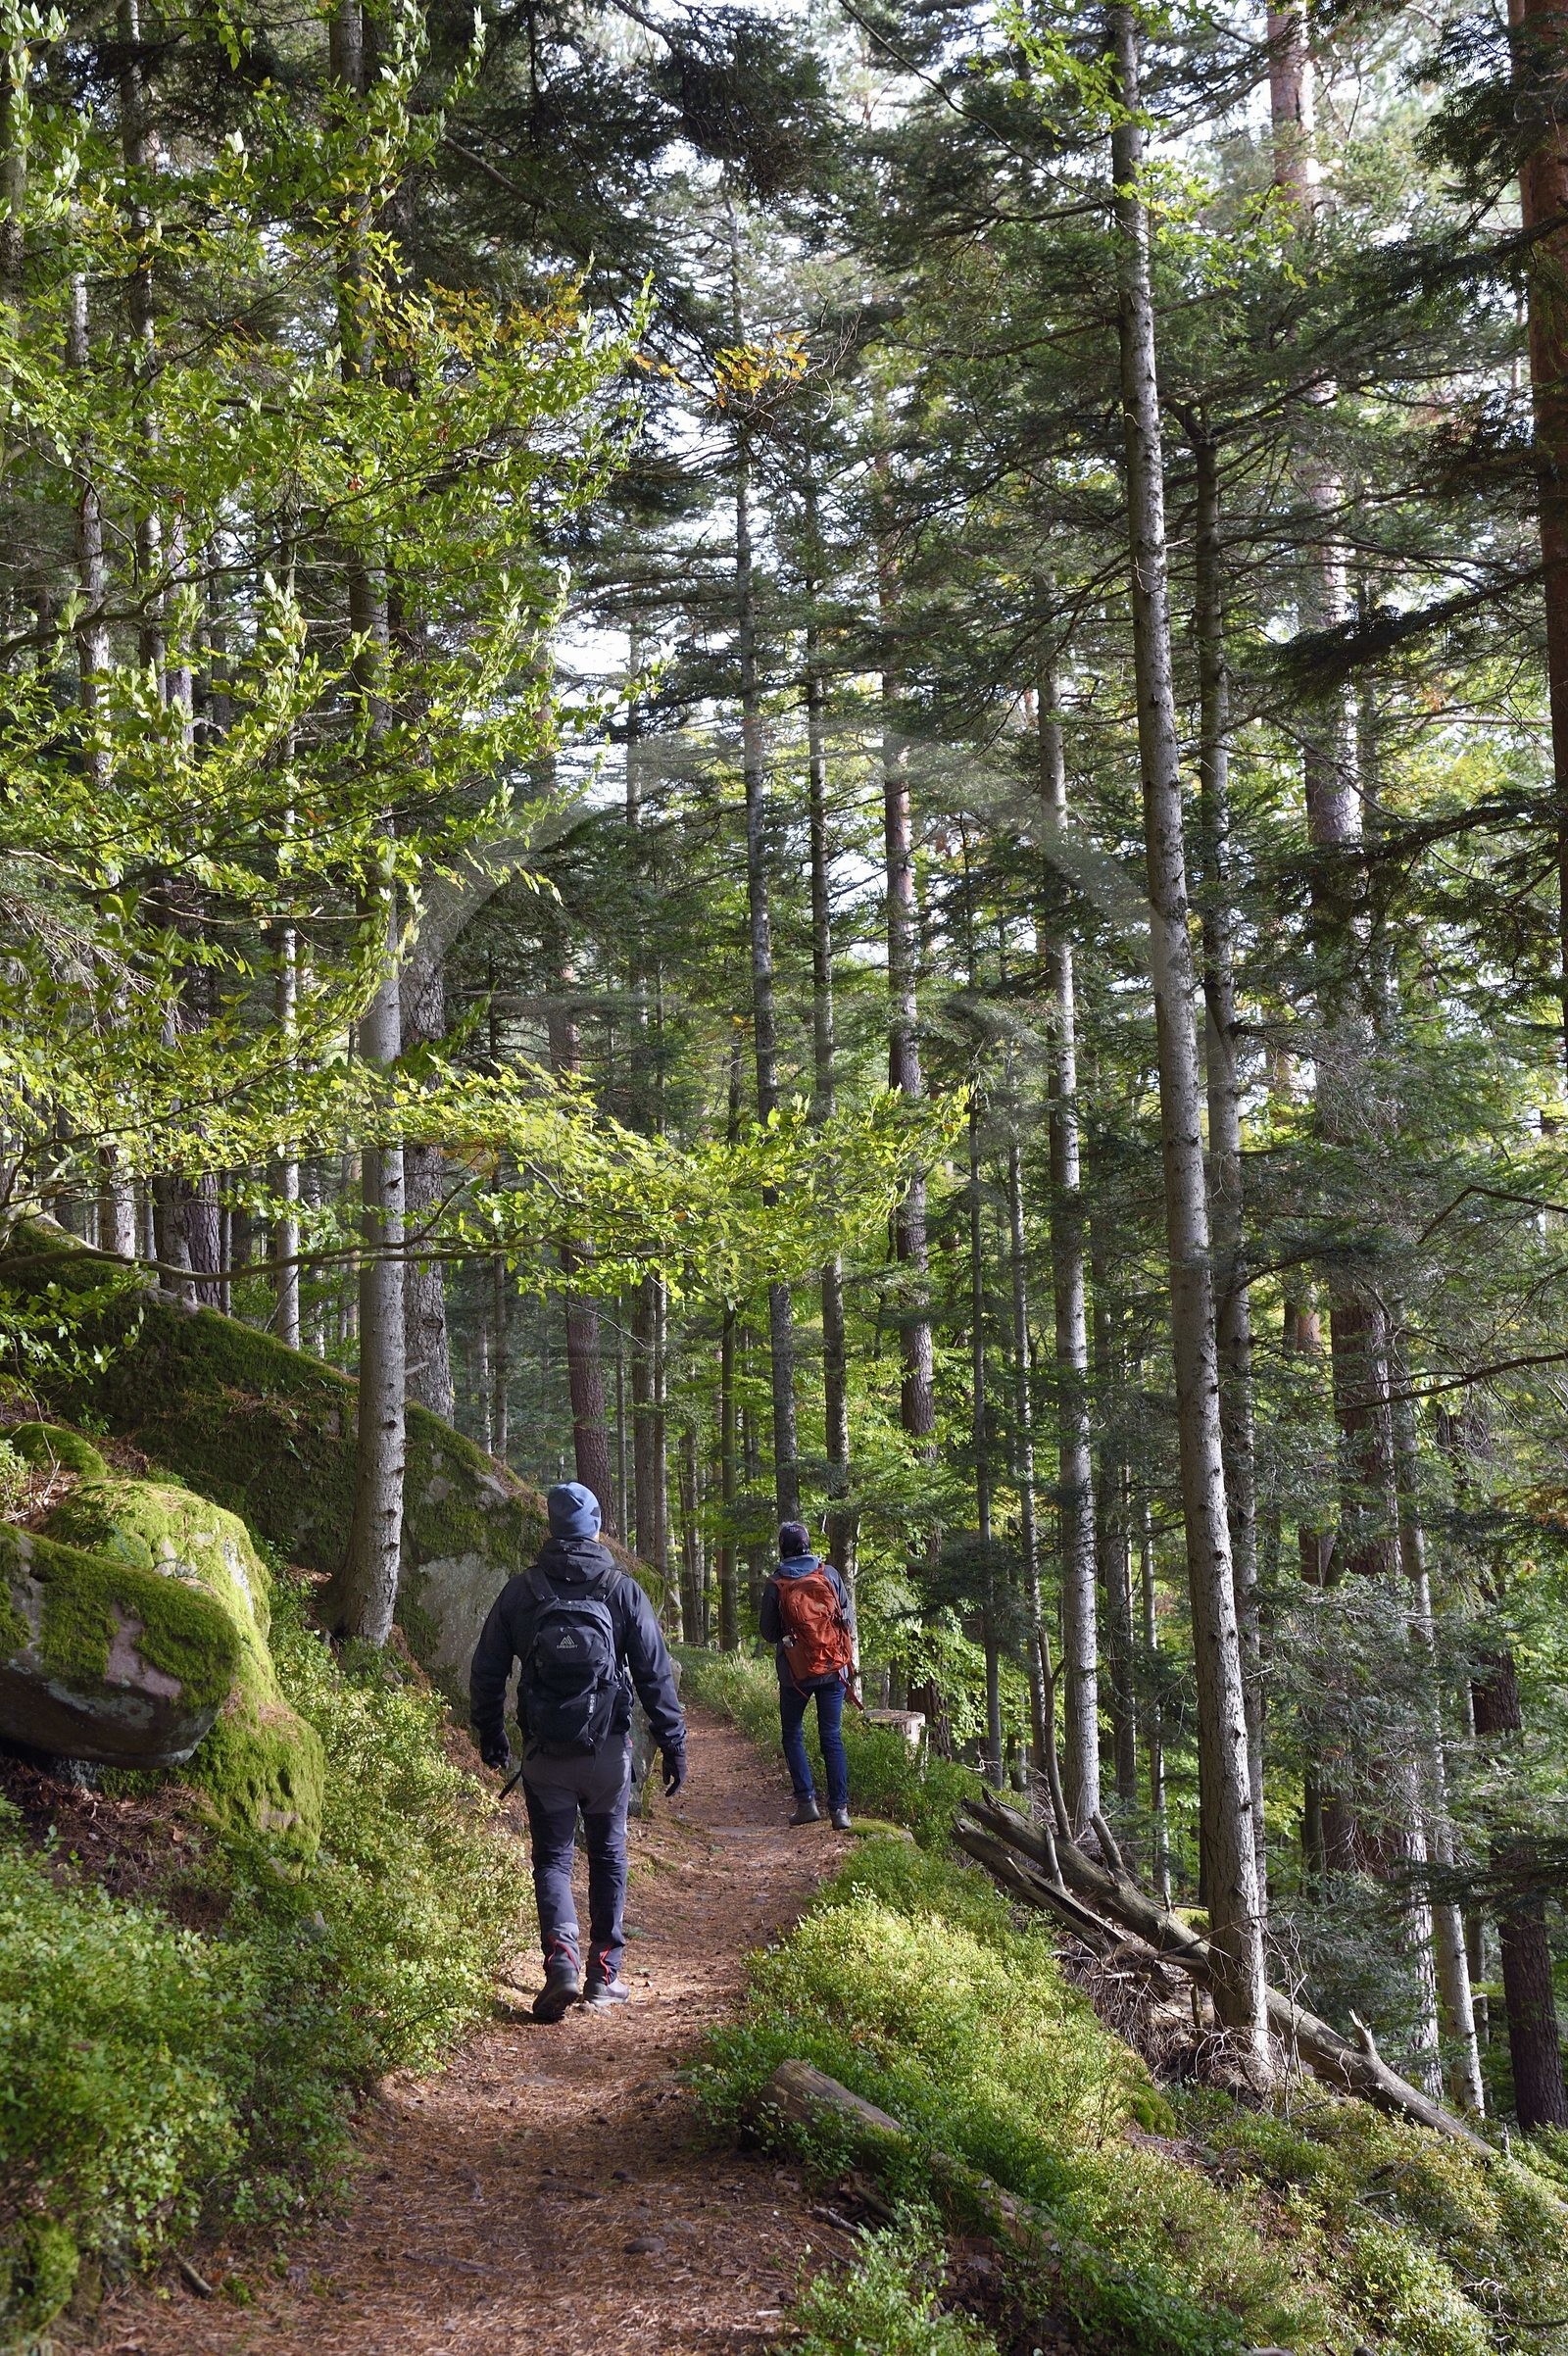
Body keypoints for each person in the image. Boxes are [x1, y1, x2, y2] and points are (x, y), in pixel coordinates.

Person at [469, 1480, 687, 2022]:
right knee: (609, 1852)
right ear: (594, 1526)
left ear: (552, 1527)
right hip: (609, 1752)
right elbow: (655, 1674)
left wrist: (491, 1734)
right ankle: (605, 1973)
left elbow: (488, 1669)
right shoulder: (620, 1588)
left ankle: (561, 1958)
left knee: (553, 1857)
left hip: (546, 1753)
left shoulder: (523, 1590)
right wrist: (673, 1742)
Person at [759, 1519, 856, 1833]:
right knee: (832, 1737)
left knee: (793, 1734)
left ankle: (807, 1803)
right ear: (808, 1544)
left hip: (796, 1675)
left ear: (782, 1548)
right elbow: (846, 1617)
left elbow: (769, 1632)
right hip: (832, 1667)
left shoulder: (776, 1583)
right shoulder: (829, 1574)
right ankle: (839, 1812)